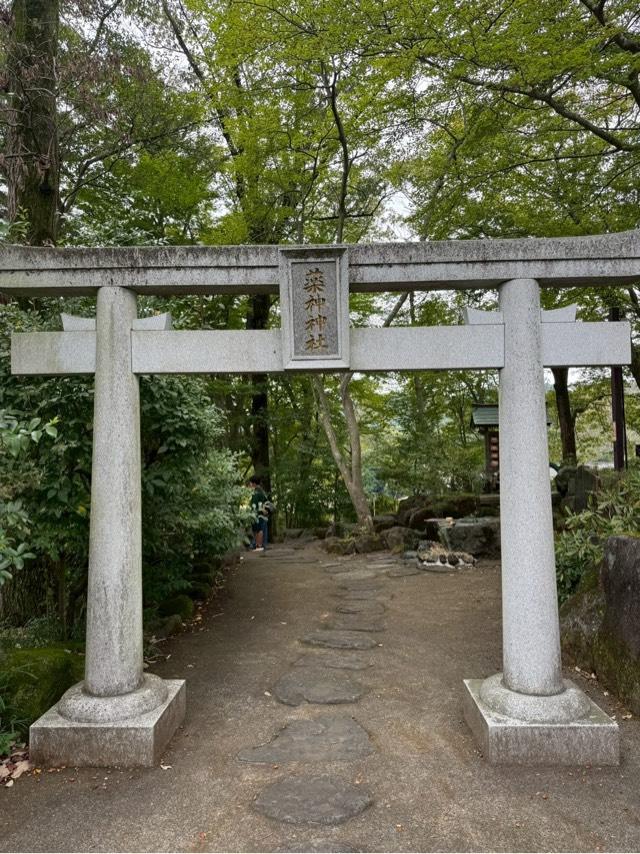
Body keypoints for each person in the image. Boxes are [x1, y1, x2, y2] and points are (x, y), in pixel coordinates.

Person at [248, 475, 269, 551]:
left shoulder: (257, 492)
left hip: (259, 514)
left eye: (250, 483)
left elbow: (257, 504)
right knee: (257, 529)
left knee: (259, 529)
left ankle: (259, 546)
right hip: (260, 514)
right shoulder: (261, 491)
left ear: (254, 483)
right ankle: (258, 545)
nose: (249, 485)